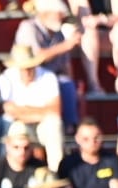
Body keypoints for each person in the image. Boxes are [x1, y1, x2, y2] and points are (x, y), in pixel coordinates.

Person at [0, 43, 66, 171]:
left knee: (54, 125)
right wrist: (41, 111)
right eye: (23, 67)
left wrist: (23, 110)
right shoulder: (7, 77)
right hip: (19, 124)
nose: (27, 70)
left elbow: (55, 111)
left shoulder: (48, 76)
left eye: (29, 66)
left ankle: (56, 172)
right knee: (11, 131)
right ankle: (8, 174)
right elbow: (8, 109)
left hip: (42, 124)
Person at [13, 0, 81, 128]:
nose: (62, 17)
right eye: (59, 13)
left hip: (52, 79)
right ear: (45, 13)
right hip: (30, 78)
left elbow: (66, 65)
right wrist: (66, 45)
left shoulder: (58, 34)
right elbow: (35, 58)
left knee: (67, 84)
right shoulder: (28, 27)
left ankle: (71, 128)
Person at [70, 0, 118, 96]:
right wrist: (100, 20)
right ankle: (94, 84)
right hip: (83, 36)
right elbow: (84, 20)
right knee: (89, 32)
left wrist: (102, 19)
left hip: (108, 34)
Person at [57, 116, 118, 188]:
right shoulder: (68, 164)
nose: (92, 142)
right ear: (77, 139)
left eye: (96, 138)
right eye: (86, 139)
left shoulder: (112, 160)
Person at [0, 120, 42, 188]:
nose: (22, 152)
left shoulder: (39, 168)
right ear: (7, 145)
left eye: (26, 148)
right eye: (16, 147)